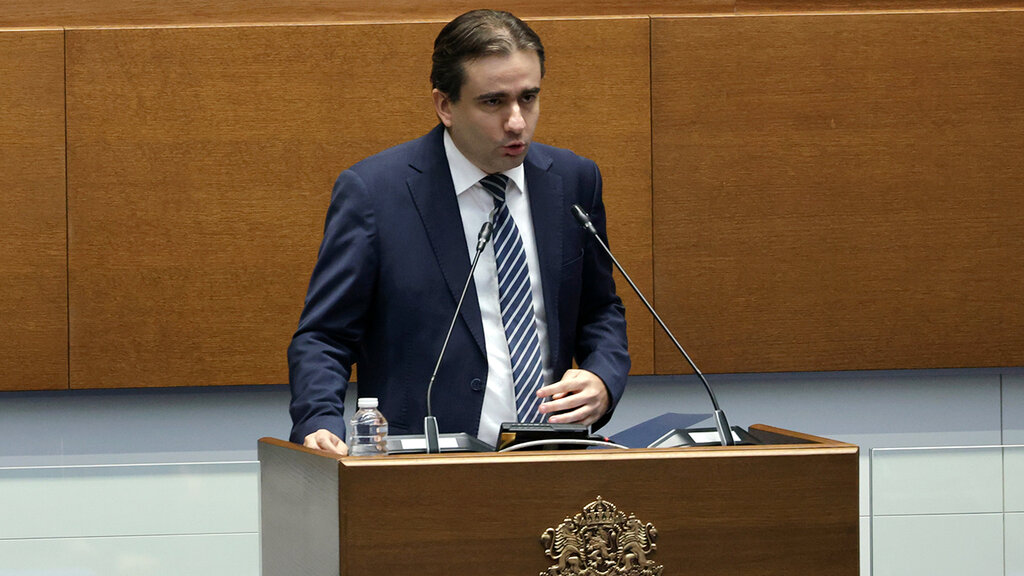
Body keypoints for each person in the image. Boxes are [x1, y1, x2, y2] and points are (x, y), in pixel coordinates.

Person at [288, 9, 629, 455]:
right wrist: (319, 419)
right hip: (423, 463)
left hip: (551, 456)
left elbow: (600, 310)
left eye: (528, 98)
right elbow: (325, 336)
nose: (516, 122)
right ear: (445, 106)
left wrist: (603, 378)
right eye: (493, 102)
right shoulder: (376, 193)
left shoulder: (573, 180)